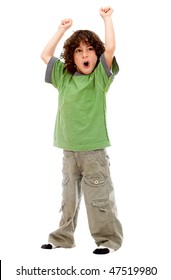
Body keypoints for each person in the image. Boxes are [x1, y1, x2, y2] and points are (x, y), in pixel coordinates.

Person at [41, 6, 123, 254]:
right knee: (68, 199)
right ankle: (62, 237)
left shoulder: (99, 78)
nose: (85, 54)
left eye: (89, 50)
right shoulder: (63, 77)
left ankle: (108, 240)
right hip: (69, 150)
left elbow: (110, 49)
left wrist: (107, 19)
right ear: (72, 57)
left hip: (93, 152)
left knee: (99, 199)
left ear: (96, 55)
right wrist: (61, 29)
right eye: (79, 51)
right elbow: (45, 55)